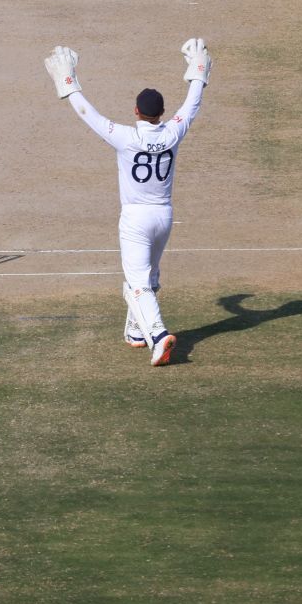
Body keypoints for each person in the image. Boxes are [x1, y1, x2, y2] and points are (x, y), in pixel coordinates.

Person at [43, 39, 211, 367]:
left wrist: (68, 82)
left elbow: (87, 114)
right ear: (161, 113)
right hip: (164, 217)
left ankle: (159, 336)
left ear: (136, 112)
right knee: (146, 278)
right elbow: (192, 103)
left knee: (137, 285)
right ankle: (137, 332)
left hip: (135, 218)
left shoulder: (124, 136)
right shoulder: (173, 132)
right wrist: (199, 72)